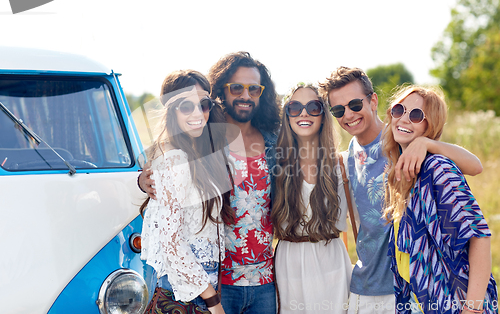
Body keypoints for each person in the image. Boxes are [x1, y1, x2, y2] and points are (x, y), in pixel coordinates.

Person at [319, 67, 483, 314]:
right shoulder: (345, 160)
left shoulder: (405, 140)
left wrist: (427, 143)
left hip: (410, 292)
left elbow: (475, 166)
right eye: (338, 110)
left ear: (373, 100)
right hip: (362, 289)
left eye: (355, 104)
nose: (348, 115)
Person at [139, 52, 281, 314]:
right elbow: (162, 163)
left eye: (254, 89)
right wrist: (142, 179)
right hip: (215, 285)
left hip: (263, 280)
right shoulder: (205, 143)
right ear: (221, 91)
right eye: (236, 87)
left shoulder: (273, 138)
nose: (245, 95)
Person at [382, 85, 497, 314]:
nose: (404, 119)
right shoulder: (399, 175)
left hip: (454, 303)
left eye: (416, 115)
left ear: (429, 125)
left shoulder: (438, 169)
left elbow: (479, 237)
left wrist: (472, 309)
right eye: (399, 110)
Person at [140, 70, 232, 314]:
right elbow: (171, 242)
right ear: (171, 111)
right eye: (186, 106)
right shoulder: (174, 159)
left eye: (204, 105)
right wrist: (213, 301)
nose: (197, 114)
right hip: (187, 294)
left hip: (201, 287)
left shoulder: (198, 153)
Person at [271, 83, 351, 313]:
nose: (304, 113)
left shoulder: (341, 165)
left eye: (313, 107)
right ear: (287, 116)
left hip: (331, 262)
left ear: (324, 116)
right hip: (289, 264)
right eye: (295, 107)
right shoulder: (276, 164)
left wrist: (425, 143)